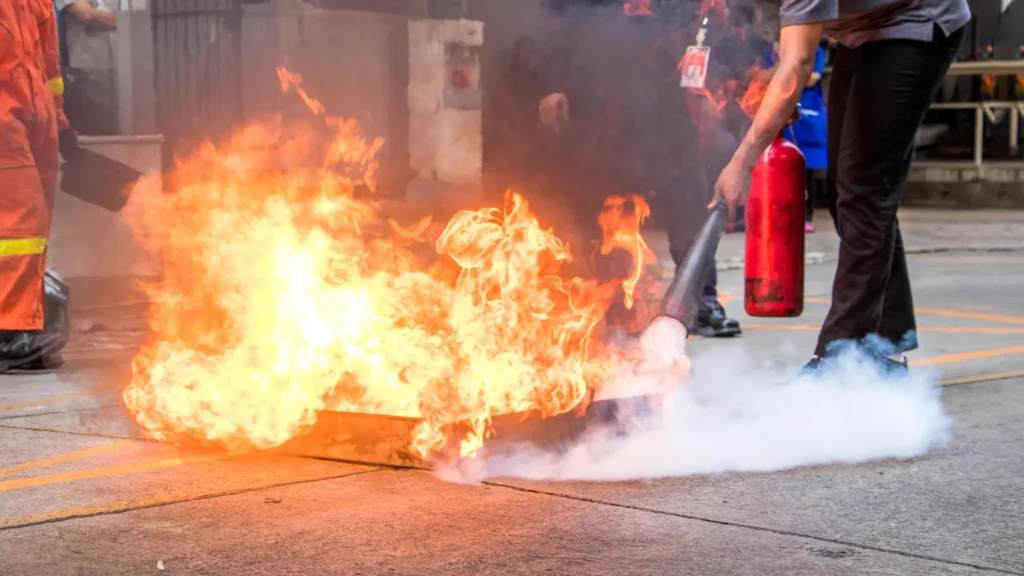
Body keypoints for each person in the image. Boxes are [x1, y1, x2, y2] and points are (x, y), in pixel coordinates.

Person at [711, 0, 970, 373]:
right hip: (861, 33)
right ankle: (887, 343)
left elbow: (798, 62)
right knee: (845, 192)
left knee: (863, 192)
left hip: (915, 22)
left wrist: (742, 161)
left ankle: (844, 356)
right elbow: (782, 49)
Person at [0, 0, 71, 371]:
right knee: (19, 223)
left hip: (35, 110)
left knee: (34, 223)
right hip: (4, 114)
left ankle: (24, 317)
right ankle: (9, 329)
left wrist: (58, 117)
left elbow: (49, 62)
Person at [783, 40, 828, 233]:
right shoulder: (779, 49)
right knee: (784, 168)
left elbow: (813, 77)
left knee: (807, 169)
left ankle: (807, 215)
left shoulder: (814, 49)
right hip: (787, 110)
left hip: (807, 113)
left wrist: (786, 73)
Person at [55, 0, 118, 135]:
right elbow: (85, 14)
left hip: (122, 68)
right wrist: (123, 19)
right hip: (87, 71)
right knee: (97, 132)